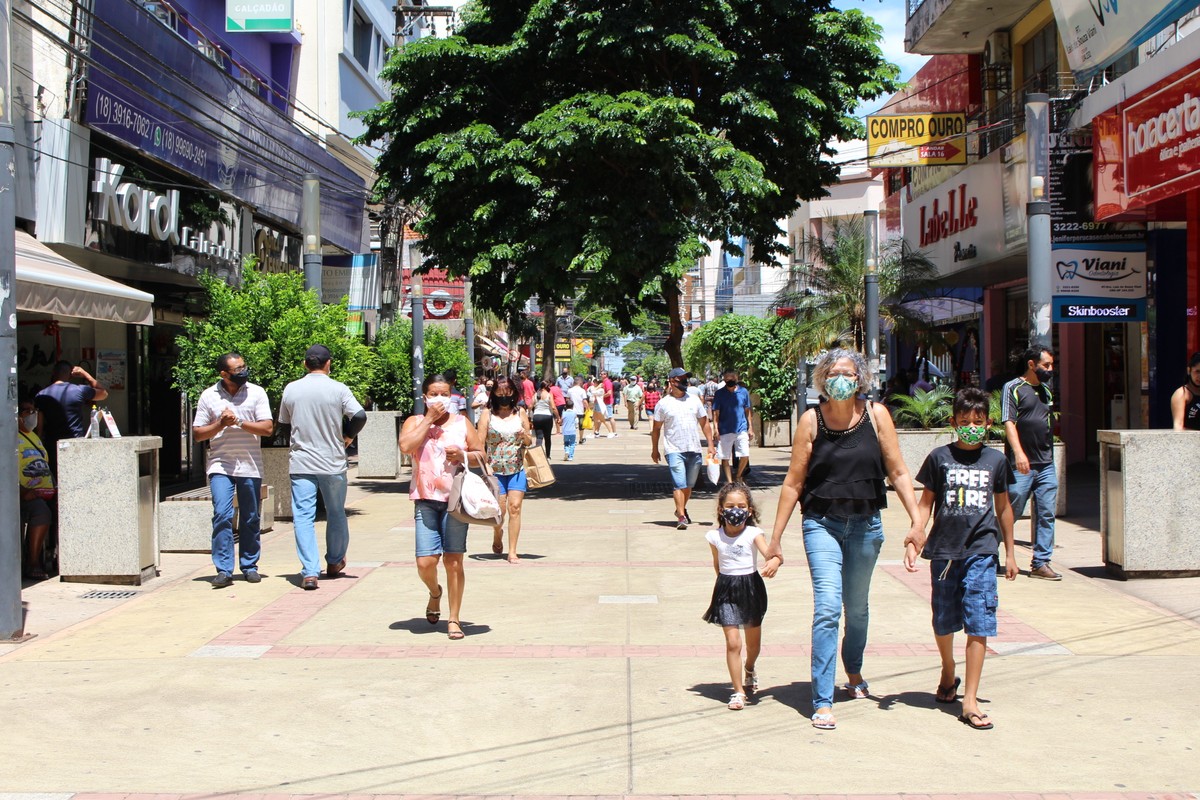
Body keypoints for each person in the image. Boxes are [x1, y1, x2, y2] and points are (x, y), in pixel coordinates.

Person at [767, 348, 922, 731]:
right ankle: (822, 699)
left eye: (849, 374)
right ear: (822, 378)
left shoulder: (877, 415)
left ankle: (853, 670)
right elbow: (793, 483)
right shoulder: (810, 421)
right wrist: (775, 540)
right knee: (827, 608)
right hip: (822, 524)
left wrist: (917, 521)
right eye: (834, 373)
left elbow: (899, 471)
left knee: (858, 608)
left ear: (860, 380)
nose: (841, 379)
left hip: (867, 525)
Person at [904, 387, 1017, 730]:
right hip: (944, 551)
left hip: (982, 549)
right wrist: (916, 534)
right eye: (965, 421)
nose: (971, 426)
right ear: (954, 422)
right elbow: (925, 504)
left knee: (978, 620)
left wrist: (1011, 552)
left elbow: (1003, 507)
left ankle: (969, 699)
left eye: (978, 422)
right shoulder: (939, 458)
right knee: (943, 619)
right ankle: (948, 668)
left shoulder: (996, 460)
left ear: (988, 424)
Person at [399, 374, 486, 638]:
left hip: (455, 501)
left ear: (452, 396)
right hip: (425, 499)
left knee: (453, 560)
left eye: (445, 394)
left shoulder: (462, 422)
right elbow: (405, 446)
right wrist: (427, 420)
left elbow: (481, 454)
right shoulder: (414, 421)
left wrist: (464, 455)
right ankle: (435, 593)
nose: (440, 399)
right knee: (425, 562)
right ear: (425, 397)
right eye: (434, 394)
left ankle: (454, 619)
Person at [278, 345, 367, 590]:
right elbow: (359, 416)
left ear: (305, 364)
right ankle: (335, 562)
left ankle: (309, 572)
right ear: (328, 364)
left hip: (302, 462)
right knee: (336, 512)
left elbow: (284, 424)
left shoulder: (291, 389)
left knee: (303, 517)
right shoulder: (338, 388)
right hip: (332, 462)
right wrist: (347, 437)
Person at [191, 352, 274, 587]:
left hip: (250, 464)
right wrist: (220, 424)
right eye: (237, 370)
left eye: (244, 367)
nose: (243, 372)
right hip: (220, 464)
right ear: (224, 374)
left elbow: (267, 428)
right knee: (222, 515)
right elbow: (197, 434)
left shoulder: (256, 392)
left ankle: (249, 565)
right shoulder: (209, 396)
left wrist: (237, 422)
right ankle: (224, 569)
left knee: (250, 517)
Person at [703, 482, 780, 710]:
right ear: (721, 509)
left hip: (751, 587)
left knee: (752, 644)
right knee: (733, 643)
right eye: (730, 505)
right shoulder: (714, 536)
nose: (735, 510)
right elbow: (717, 565)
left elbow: (770, 554)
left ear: (749, 510)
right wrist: (722, 586)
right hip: (726, 588)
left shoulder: (754, 533)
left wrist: (774, 561)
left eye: (741, 505)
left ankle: (749, 667)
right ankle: (738, 692)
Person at [1002, 347, 1061, 580]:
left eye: (1051, 365)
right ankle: (990, 553)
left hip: (1046, 463)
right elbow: (1009, 423)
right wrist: (1018, 454)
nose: (1050, 370)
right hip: (1022, 464)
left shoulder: (1046, 391)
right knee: (1011, 509)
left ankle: (1041, 562)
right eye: (1046, 365)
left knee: (1046, 512)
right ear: (1031, 364)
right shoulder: (1013, 388)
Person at [477, 377, 534, 564]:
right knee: (500, 511)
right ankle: (497, 533)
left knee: (515, 508)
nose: (504, 397)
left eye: (508, 393)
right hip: (495, 470)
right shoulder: (487, 414)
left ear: (514, 394)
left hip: (516, 469)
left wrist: (524, 435)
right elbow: (479, 443)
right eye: (500, 394)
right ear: (493, 394)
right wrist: (485, 466)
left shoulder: (520, 413)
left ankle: (512, 551)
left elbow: (529, 441)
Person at [651, 367, 715, 529]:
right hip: (674, 450)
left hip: (694, 448)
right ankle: (681, 516)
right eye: (681, 379)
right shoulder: (663, 403)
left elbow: (704, 422)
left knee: (688, 485)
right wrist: (655, 449)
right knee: (679, 484)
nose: (685, 382)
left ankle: (681, 508)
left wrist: (711, 444)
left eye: (686, 378)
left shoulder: (694, 400)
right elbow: (657, 428)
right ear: (672, 381)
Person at [34, 360, 109, 474]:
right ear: (70, 374)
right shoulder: (79, 390)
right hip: (75, 443)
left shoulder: (41, 395)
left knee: (55, 479)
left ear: (54, 373)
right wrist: (85, 374)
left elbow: (39, 427)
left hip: (52, 445)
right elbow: (104, 394)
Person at [17, 399, 54, 580]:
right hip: (24, 495)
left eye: (34, 410)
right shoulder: (9, 437)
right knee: (40, 511)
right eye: (26, 411)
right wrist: (22, 492)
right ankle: (33, 563)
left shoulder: (34, 436)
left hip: (45, 491)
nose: (32, 415)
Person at [711, 368, 754, 484]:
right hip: (725, 429)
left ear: (736, 378)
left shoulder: (743, 392)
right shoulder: (719, 394)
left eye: (732, 378)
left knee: (745, 454)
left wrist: (750, 427)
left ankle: (738, 476)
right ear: (724, 380)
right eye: (727, 379)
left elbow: (747, 411)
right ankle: (730, 482)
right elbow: (716, 413)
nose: (730, 381)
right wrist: (715, 429)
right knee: (725, 457)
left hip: (741, 428)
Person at [1170, 352, 1200, 430]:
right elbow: (1178, 426)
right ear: (1189, 370)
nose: (1199, 376)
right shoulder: (1182, 394)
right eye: (1197, 371)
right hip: (1190, 439)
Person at [530, 379, 560, 457]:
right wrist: (558, 417)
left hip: (537, 417)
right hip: (547, 417)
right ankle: (547, 455)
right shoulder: (549, 395)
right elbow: (553, 407)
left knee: (539, 437)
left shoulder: (535, 395)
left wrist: (528, 416)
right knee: (547, 437)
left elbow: (530, 406)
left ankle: (538, 455)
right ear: (547, 387)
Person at [567, 377, 589, 445]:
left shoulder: (570, 390)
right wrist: (588, 409)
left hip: (572, 411)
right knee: (581, 426)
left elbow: (567, 399)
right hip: (580, 412)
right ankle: (580, 439)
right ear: (580, 382)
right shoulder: (582, 391)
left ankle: (573, 440)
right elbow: (585, 401)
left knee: (572, 426)